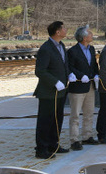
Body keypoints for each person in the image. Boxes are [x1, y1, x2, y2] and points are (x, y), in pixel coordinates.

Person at [33, 20, 70, 159]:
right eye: (64, 28)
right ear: (57, 32)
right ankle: (41, 149)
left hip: (61, 90)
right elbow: (40, 71)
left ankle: (54, 144)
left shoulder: (61, 46)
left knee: (57, 119)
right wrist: (55, 82)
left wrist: (69, 74)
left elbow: (63, 64)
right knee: (45, 120)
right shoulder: (46, 48)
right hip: (48, 91)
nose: (66, 30)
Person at [66, 26, 100, 150]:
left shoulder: (91, 49)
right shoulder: (72, 51)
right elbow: (70, 67)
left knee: (89, 112)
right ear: (84, 37)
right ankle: (74, 140)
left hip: (90, 85)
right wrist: (81, 75)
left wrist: (97, 74)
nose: (92, 35)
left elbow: (94, 65)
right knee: (75, 115)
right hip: (78, 86)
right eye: (90, 33)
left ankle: (87, 136)